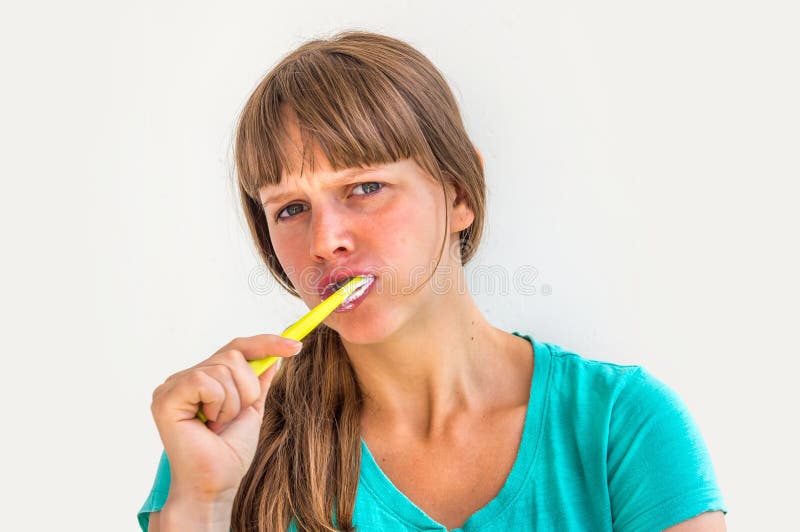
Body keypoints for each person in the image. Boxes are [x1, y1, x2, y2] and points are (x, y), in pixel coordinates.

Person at [139, 31, 727, 531]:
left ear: (459, 193)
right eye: (290, 209)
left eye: (364, 188)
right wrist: (203, 506)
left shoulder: (622, 427)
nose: (324, 241)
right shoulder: (228, 444)